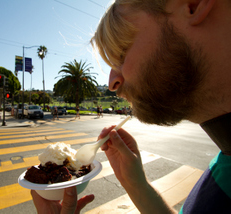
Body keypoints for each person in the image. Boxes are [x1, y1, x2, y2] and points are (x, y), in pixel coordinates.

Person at [32, 0, 231, 213]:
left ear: (193, 4)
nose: (111, 83)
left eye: (121, 52)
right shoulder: (223, 165)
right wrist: (136, 185)